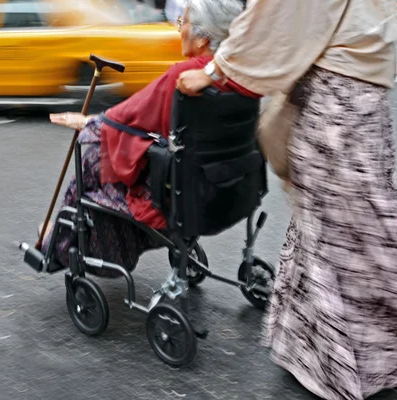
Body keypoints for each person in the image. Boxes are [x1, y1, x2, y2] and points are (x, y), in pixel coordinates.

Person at [176, 1, 397, 399]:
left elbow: (278, 14)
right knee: (329, 231)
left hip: (336, 102)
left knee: (355, 235)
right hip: (353, 95)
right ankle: (318, 352)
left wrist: (214, 71)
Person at [41, 0, 257, 276]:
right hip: (229, 188)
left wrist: (89, 122)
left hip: (178, 194)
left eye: (184, 22)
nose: (180, 29)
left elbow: (126, 117)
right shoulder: (244, 73)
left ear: (203, 37)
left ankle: (59, 242)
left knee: (93, 158)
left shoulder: (184, 76)